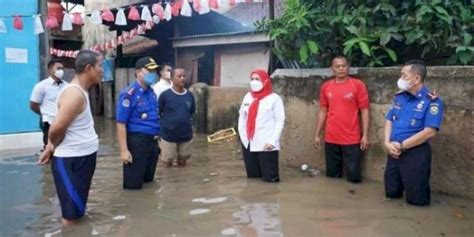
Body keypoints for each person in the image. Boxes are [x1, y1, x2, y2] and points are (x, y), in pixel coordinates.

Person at [37, 50, 103, 226]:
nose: (102, 70)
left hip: (84, 157)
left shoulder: (82, 91)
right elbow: (56, 129)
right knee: (71, 216)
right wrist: (51, 147)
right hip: (71, 160)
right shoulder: (74, 94)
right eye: (100, 66)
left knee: (78, 208)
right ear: (89, 68)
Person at [384, 60, 444, 206]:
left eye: (404, 75)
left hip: (415, 153)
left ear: (416, 78)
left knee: (417, 200)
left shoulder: (432, 101)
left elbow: (429, 132)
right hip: (393, 152)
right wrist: (386, 143)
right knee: (391, 194)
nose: (400, 79)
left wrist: (402, 146)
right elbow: (389, 119)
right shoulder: (399, 97)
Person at [313, 56, 370, 183]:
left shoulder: (357, 85)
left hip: (351, 138)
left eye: (344, 65)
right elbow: (323, 111)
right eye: (337, 66)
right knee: (332, 177)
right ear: (332, 68)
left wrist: (365, 135)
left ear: (348, 67)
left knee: (354, 177)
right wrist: (317, 134)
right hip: (331, 137)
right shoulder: (326, 86)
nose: (341, 69)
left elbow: (365, 110)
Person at [116, 57, 160, 190]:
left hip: (152, 142)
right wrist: (124, 150)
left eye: (155, 71)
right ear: (138, 72)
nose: (153, 74)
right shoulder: (129, 94)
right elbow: (120, 123)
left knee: (148, 181)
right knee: (133, 186)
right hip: (137, 142)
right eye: (150, 70)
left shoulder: (152, 93)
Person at [238, 69, 285, 183]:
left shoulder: (274, 98)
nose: (254, 82)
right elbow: (242, 117)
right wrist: (243, 137)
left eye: (257, 79)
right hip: (249, 142)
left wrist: (272, 141)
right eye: (252, 79)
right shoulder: (248, 96)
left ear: (265, 81)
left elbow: (280, 121)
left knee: (270, 179)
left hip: (267, 143)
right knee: (253, 179)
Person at [159, 68, 195, 167]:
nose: (182, 78)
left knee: (183, 160)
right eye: (179, 76)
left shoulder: (189, 95)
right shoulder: (165, 95)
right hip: (168, 135)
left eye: (184, 76)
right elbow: (159, 112)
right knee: (167, 161)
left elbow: (191, 112)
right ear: (172, 79)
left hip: (185, 135)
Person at [30, 59, 67, 149]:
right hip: (49, 122)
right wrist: (45, 113)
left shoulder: (67, 86)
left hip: (64, 122)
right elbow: (33, 105)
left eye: (62, 68)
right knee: (50, 147)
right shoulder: (41, 86)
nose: (61, 71)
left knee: (64, 147)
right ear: (50, 70)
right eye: (58, 68)